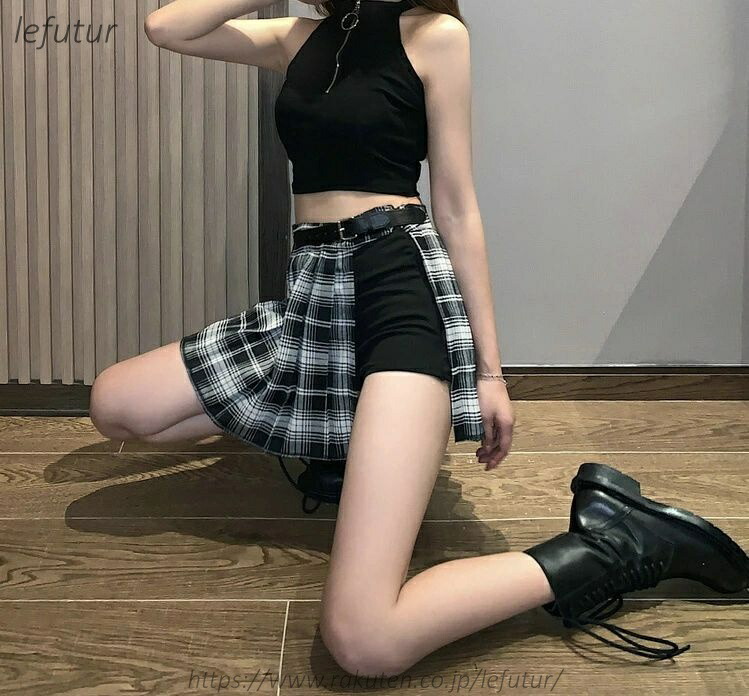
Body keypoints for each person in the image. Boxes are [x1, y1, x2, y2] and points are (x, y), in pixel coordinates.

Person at [88, 0, 748, 675]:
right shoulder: (298, 36)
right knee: (117, 404)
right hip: (314, 297)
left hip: (396, 292)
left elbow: (457, 207)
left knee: (364, 641)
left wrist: (489, 373)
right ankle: (346, 439)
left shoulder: (434, 36)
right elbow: (166, 27)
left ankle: (615, 542)